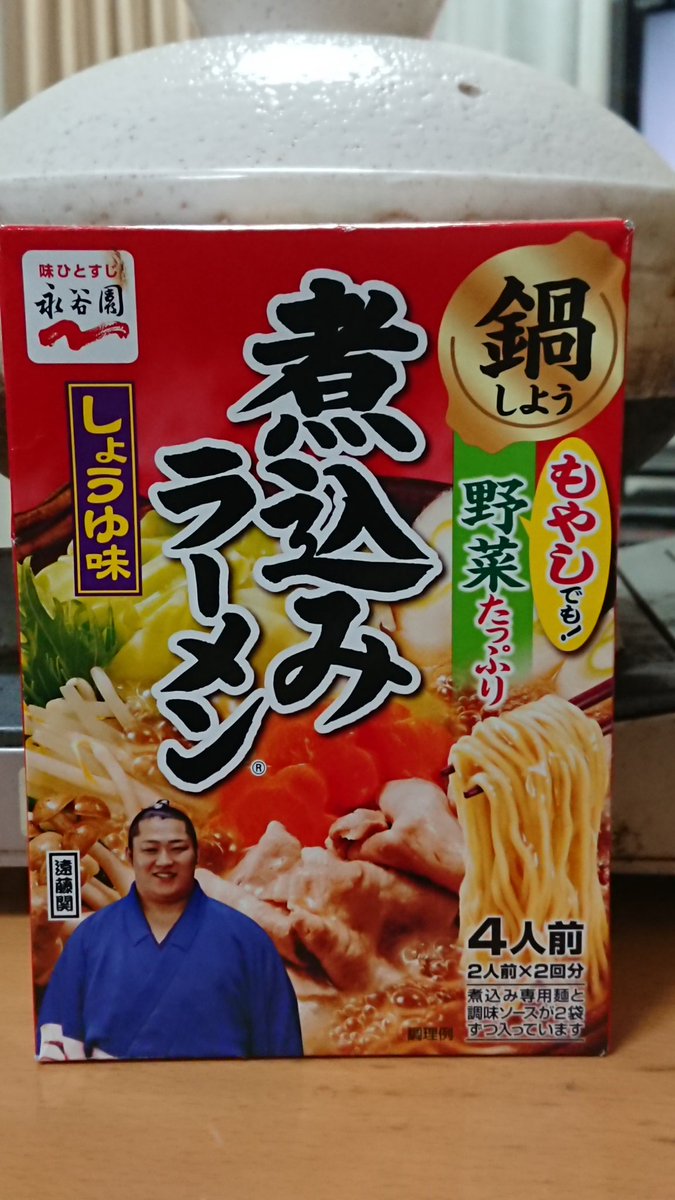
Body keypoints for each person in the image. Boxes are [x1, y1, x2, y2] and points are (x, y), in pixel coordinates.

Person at [37, 801, 304, 1061]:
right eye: (150, 850)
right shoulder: (89, 938)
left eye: (178, 849)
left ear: (196, 855)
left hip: (223, 1088)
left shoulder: (247, 939)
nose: (164, 860)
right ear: (130, 856)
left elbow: (282, 1050)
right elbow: (56, 1041)